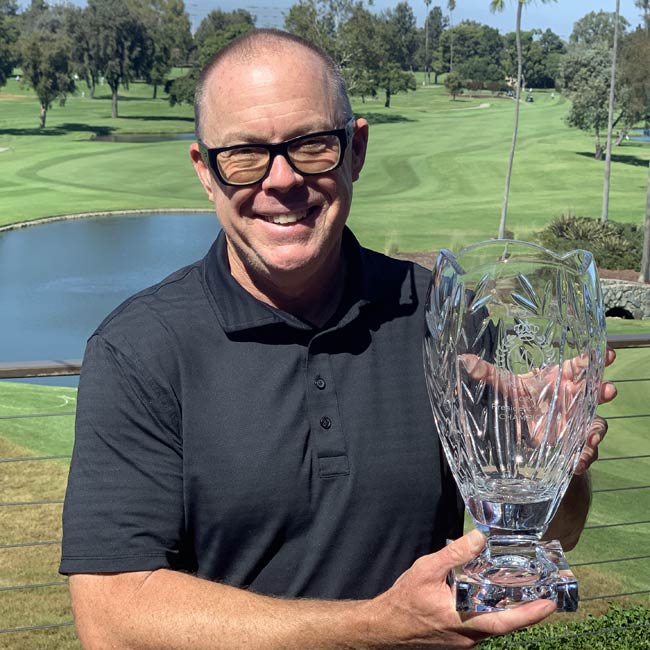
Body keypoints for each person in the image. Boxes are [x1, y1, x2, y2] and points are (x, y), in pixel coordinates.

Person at [60, 28, 616, 649]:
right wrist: (378, 628)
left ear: (355, 150)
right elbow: (110, 621)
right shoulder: (139, 350)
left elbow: (556, 535)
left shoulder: (442, 311)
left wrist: (550, 466)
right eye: (244, 154)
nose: (282, 181)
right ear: (206, 172)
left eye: (311, 145)